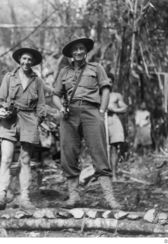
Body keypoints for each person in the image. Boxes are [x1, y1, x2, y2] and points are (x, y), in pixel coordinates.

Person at [52, 37, 121, 209]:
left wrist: (102, 111)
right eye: (75, 49)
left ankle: (109, 198)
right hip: (70, 114)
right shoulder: (64, 72)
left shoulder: (96, 68)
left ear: (86, 51)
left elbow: (105, 89)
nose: (78, 52)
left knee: (99, 153)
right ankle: (73, 197)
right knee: (68, 154)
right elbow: (55, 95)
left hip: (92, 111)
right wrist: (61, 108)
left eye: (81, 48)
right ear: (70, 53)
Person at [0, 47, 46, 210]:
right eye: (24, 59)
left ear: (33, 62)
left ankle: (24, 198)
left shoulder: (37, 81)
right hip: (9, 119)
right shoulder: (9, 77)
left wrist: (36, 121)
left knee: (25, 160)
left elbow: (41, 105)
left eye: (30, 60)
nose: (26, 62)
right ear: (19, 60)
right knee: (5, 159)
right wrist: (0, 110)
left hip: (29, 120)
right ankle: (0, 198)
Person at [107, 73, 128, 181]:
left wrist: (114, 109)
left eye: (110, 82)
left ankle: (114, 175)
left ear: (112, 83)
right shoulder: (96, 95)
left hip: (113, 121)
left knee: (114, 147)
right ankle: (102, 174)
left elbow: (124, 108)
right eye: (106, 81)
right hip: (101, 122)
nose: (108, 83)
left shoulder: (116, 95)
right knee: (100, 148)